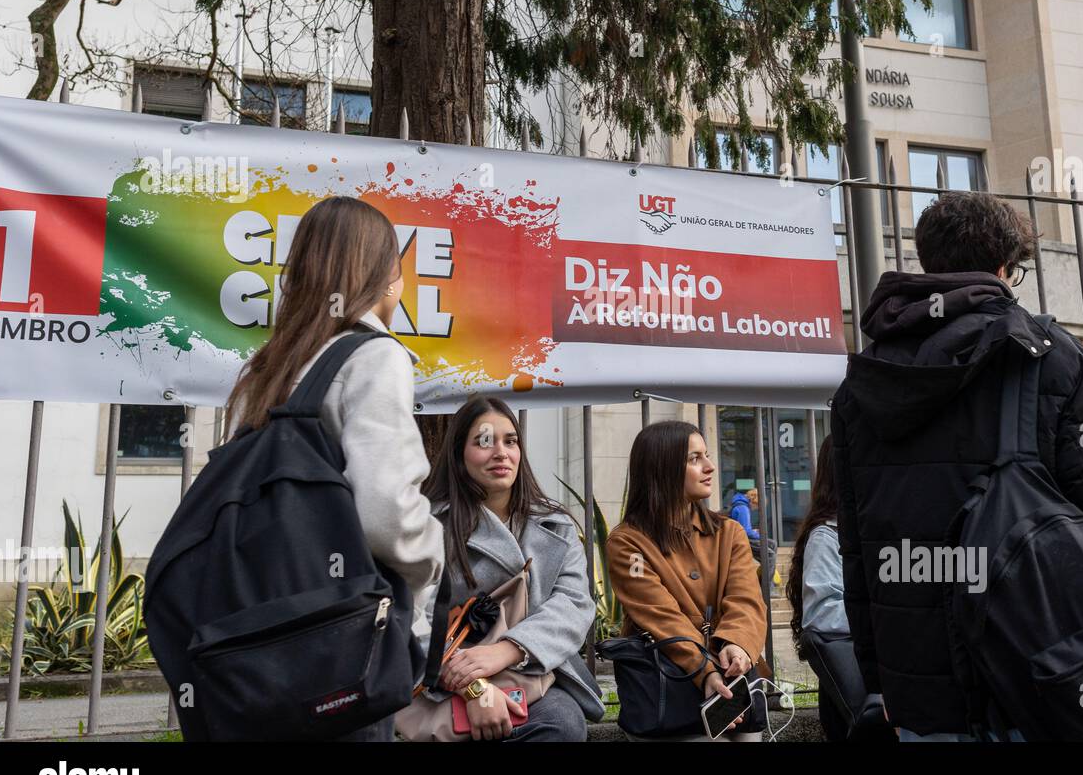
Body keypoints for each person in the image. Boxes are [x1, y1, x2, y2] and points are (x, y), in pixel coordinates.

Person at [830, 191, 1083, 741]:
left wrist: (882, 680)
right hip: (1046, 672)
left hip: (921, 695)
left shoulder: (861, 384)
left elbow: (856, 546)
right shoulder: (1054, 359)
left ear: (929, 261)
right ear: (1004, 265)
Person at [224, 195, 446, 742]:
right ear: (380, 275)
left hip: (260, 635)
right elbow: (386, 512)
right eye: (396, 268)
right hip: (340, 639)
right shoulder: (374, 356)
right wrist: (432, 561)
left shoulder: (268, 368)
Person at [419, 396, 604, 741]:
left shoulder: (555, 525)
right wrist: (473, 687)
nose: (501, 452)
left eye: (510, 441)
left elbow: (574, 605)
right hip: (448, 678)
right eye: (484, 441)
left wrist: (508, 649)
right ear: (459, 453)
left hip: (531, 670)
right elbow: (414, 616)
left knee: (563, 724)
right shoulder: (428, 526)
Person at [608, 421, 768, 741]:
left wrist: (737, 643)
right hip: (666, 690)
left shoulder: (729, 532)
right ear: (662, 467)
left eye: (706, 455)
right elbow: (660, 617)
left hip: (730, 675)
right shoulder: (628, 543)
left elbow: (746, 599)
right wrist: (704, 669)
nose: (709, 466)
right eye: (694, 458)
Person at [786, 435, 888, 742]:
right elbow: (822, 616)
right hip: (858, 699)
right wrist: (891, 613)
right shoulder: (827, 536)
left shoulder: (874, 529)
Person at [728, 487, 777, 584]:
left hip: (740, 536)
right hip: (741, 540)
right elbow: (746, 531)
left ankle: (766, 574)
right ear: (754, 501)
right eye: (757, 506)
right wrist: (760, 535)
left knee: (772, 544)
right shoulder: (743, 508)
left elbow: (743, 527)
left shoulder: (739, 504)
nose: (755, 509)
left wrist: (754, 532)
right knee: (769, 555)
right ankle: (767, 587)